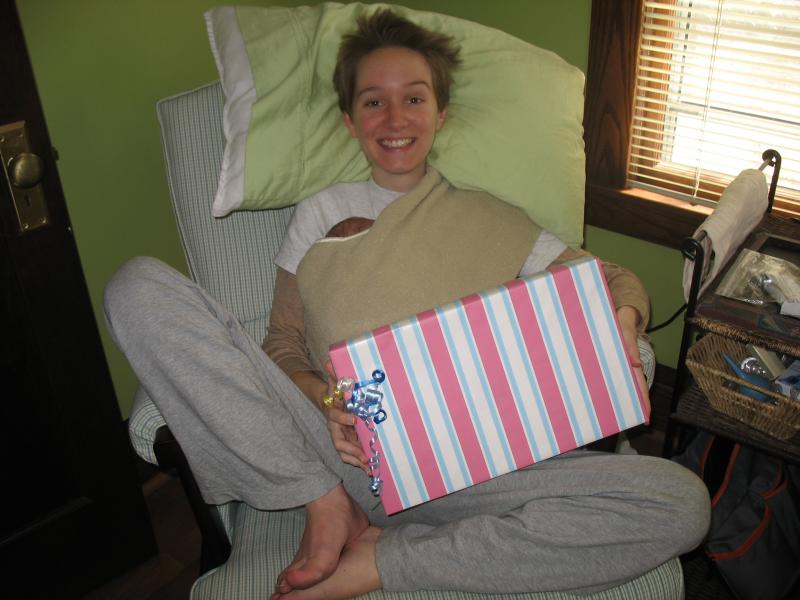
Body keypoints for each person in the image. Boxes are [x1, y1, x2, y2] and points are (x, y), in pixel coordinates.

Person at [104, 9, 710, 600]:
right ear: (349, 120)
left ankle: (385, 560)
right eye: (374, 101)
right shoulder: (319, 213)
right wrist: (329, 401)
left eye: (414, 98)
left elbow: (614, 281)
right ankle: (326, 505)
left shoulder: (490, 218)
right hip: (340, 456)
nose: (395, 118)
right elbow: (282, 343)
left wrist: (622, 326)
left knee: (682, 503)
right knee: (136, 286)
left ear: (440, 113)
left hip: (479, 469)